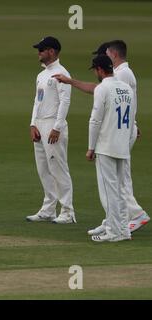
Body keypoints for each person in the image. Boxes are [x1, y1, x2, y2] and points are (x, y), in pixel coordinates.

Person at [53, 40, 149, 234]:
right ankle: (112, 221)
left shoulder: (120, 74)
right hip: (124, 127)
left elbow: (101, 96)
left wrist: (92, 146)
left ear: (112, 55)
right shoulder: (122, 75)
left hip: (116, 132)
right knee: (118, 177)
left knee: (116, 180)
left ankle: (129, 218)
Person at [26, 36, 77, 224]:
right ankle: (48, 209)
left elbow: (65, 101)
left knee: (58, 168)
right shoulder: (41, 75)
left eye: (42, 49)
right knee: (44, 168)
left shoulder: (62, 73)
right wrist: (33, 124)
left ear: (52, 52)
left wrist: (57, 126)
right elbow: (37, 101)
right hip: (40, 124)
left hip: (53, 125)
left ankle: (68, 211)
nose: (38, 52)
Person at [87, 55, 135, 242]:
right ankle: (124, 230)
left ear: (100, 70)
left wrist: (91, 147)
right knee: (121, 190)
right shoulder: (126, 88)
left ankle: (114, 232)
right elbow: (131, 120)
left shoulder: (102, 88)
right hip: (122, 145)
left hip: (106, 146)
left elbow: (95, 120)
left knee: (109, 191)